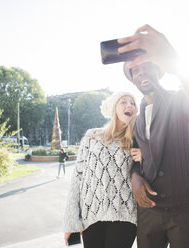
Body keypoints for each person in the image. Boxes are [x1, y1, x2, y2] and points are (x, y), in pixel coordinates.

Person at [118, 25, 189, 248]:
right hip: (148, 211)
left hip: (184, 210)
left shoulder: (180, 99)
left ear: (160, 69)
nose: (141, 73)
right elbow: (135, 159)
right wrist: (135, 177)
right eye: (134, 71)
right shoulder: (136, 119)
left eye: (146, 66)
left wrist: (177, 64)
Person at [63, 92, 142, 248]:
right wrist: (71, 222)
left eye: (133, 103)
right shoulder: (92, 136)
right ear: (114, 108)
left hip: (124, 215)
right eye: (123, 102)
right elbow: (77, 179)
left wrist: (146, 156)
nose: (129, 106)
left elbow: (153, 168)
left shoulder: (138, 139)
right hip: (91, 216)